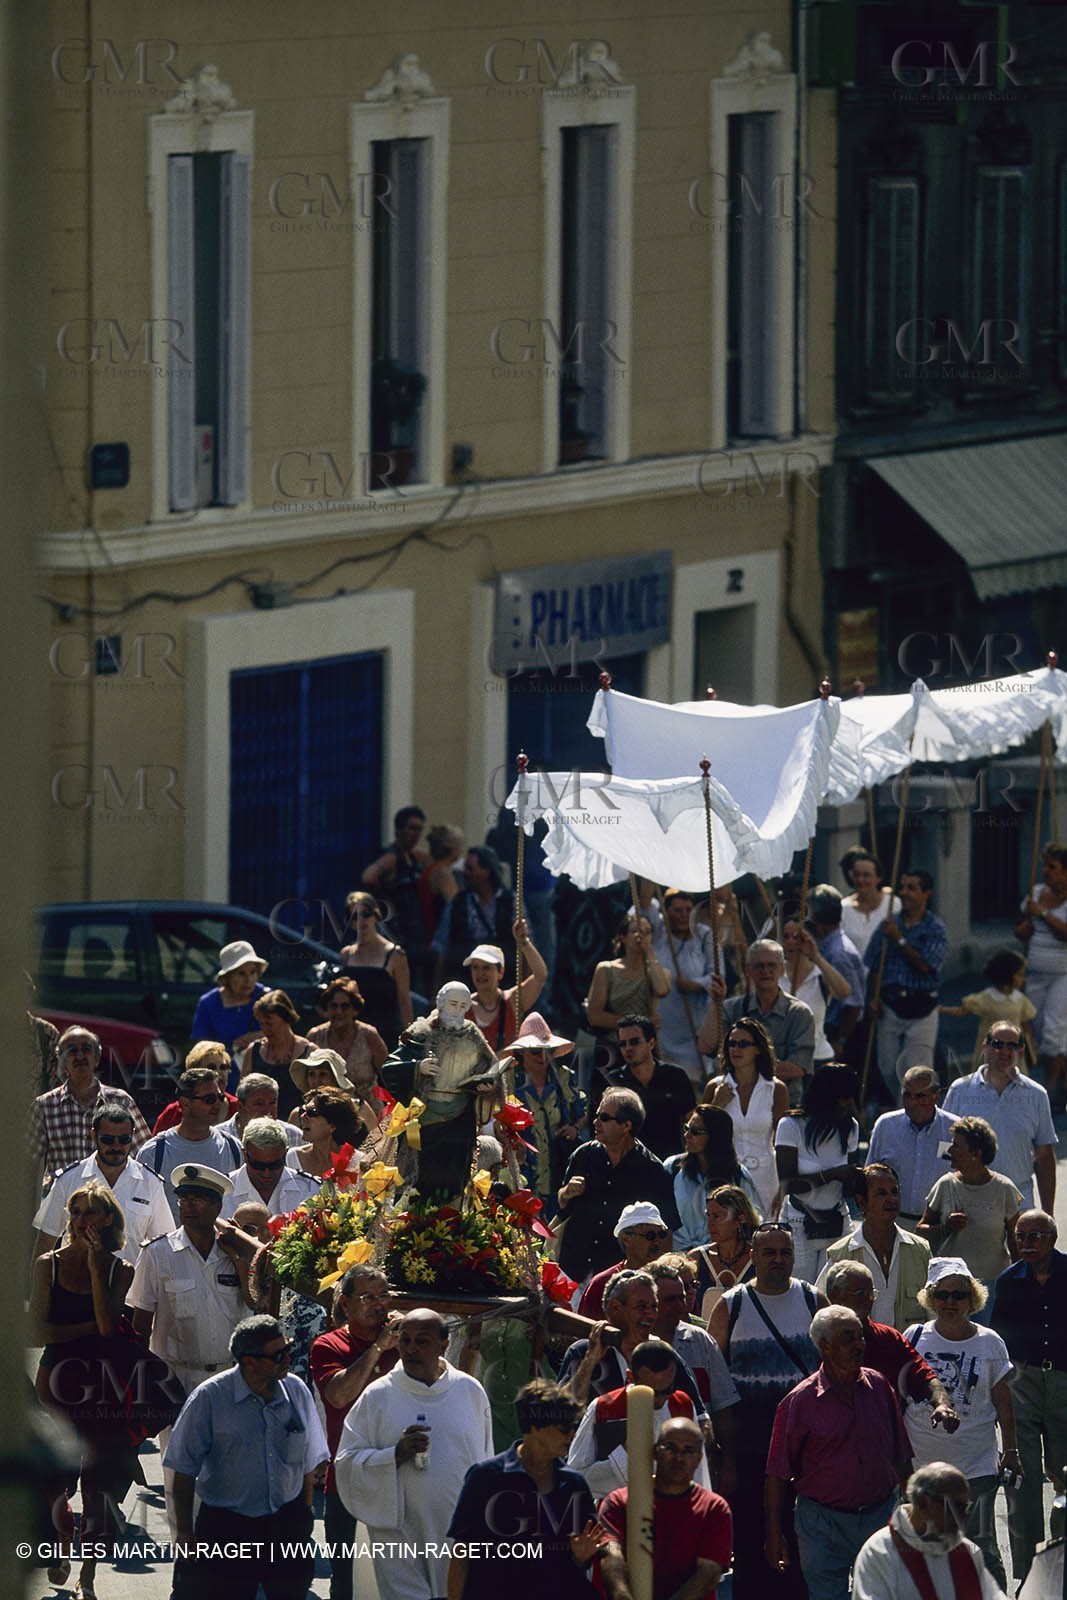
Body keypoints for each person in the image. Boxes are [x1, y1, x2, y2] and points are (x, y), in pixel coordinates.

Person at [164, 1313, 328, 1600]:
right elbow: (183, 1469)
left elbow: (309, 1459)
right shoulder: (210, 1398)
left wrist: (304, 1514)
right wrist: (185, 1533)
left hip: (286, 1524)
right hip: (228, 1528)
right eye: (278, 1355)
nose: (287, 1359)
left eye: (288, 1348)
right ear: (249, 1361)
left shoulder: (297, 1391)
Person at [335, 1308, 494, 1600]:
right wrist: (394, 1455)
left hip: (454, 1532)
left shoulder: (470, 1391)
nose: (410, 1349)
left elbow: (484, 1463)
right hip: (398, 1533)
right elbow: (346, 1462)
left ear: (443, 1345)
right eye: (405, 1340)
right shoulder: (378, 1395)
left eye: (421, 1341)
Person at [128, 1163, 251, 1536]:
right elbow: (140, 1326)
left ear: (217, 1206)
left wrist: (243, 1258)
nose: (188, 1206)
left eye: (199, 1199)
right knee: (179, 1474)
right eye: (184, 1198)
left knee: (230, 1469)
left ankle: (225, 1551)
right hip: (177, 1378)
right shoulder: (158, 1253)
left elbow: (258, 1306)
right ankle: (187, 1553)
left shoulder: (236, 1252)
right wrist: (144, 1388)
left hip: (229, 1375)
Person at [708, 1220, 826, 1600]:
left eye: (785, 1252)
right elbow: (714, 1379)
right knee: (751, 1542)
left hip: (807, 1449)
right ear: (753, 1256)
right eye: (769, 1252)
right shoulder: (731, 1306)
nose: (778, 1259)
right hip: (750, 1448)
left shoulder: (814, 1301)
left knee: (804, 1542)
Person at [31, 1182, 138, 1600]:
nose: (81, 1221)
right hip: (56, 1381)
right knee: (54, 1476)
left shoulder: (118, 1270)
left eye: (91, 1212)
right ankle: (60, 1546)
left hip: (102, 1383)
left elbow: (108, 1330)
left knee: (97, 1484)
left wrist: (95, 1269)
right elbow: (36, 1333)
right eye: (75, 1213)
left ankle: (88, 1574)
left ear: (108, 1219)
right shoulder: (48, 1264)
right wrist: (89, 1327)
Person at [766, 1305, 913, 1600]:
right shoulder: (800, 1402)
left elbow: (901, 1454)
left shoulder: (879, 1386)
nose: (859, 1345)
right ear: (825, 1346)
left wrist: (913, 1509)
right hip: (822, 1525)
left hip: (880, 1516)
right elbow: (777, 1473)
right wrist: (773, 1534)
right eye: (848, 1338)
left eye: (860, 1337)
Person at [901, 1258, 1018, 1589]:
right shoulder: (915, 1336)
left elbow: (1004, 1403)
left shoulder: (990, 1342)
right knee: (921, 1549)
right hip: (921, 1467)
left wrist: (1011, 1451)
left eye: (959, 1295)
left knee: (981, 1549)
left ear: (973, 1299)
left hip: (975, 1467)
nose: (950, 1302)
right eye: (942, 1295)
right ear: (931, 1298)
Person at [446, 1379, 604, 1600]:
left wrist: (581, 1557)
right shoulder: (486, 1478)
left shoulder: (574, 1485)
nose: (571, 1435)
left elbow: (584, 1555)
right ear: (536, 1426)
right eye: (564, 1428)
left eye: (573, 1427)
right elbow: (462, 1551)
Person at [309, 1265, 401, 1600]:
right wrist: (378, 1347)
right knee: (347, 1583)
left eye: (384, 1296)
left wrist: (412, 1339)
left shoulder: (404, 1341)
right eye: (368, 1297)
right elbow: (338, 1396)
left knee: (395, 1582)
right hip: (348, 1484)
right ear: (345, 1305)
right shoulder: (328, 1344)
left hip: (398, 1481)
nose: (379, 1304)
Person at [988, 1209, 1067, 1584]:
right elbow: (998, 1341)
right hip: (1023, 1382)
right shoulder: (1009, 1281)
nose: (1026, 1243)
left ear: (1053, 1238)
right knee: (1023, 1479)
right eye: (1020, 1236)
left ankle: (1061, 1563)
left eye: (1035, 1235)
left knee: (1065, 1474)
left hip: (1064, 1382)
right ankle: (1029, 1575)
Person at [382, 980, 501, 1202]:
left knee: (453, 1181)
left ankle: (448, 1217)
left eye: (463, 1006)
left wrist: (488, 1087)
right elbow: (390, 1067)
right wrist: (417, 1068)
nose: (457, 1011)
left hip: (459, 1121)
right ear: (441, 1003)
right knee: (419, 1179)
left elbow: (492, 1069)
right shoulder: (421, 1032)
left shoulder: (474, 1036)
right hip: (424, 1118)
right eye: (452, 1004)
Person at [598, 1415, 733, 1600]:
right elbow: (611, 1553)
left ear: (699, 1458)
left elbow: (709, 1572)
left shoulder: (714, 1509)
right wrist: (622, 1595)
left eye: (688, 1450)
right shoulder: (618, 1502)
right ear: (655, 1452)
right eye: (670, 1448)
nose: (679, 1457)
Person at [556, 1087, 680, 1282]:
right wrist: (566, 1192)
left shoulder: (652, 1170)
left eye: (604, 1118)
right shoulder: (584, 1155)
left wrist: (659, 1277)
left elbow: (666, 1230)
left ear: (626, 1125)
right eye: (596, 1115)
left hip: (621, 1278)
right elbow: (562, 1205)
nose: (595, 1122)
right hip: (574, 1269)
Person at [567, 1337, 713, 1501]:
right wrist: (625, 1455)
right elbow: (577, 1477)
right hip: (618, 1510)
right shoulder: (604, 1408)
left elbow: (698, 1475)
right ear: (630, 1377)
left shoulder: (683, 1405)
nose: (660, 1400)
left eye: (668, 1390)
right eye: (653, 1392)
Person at [823, 1261, 959, 1429]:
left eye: (871, 1293)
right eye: (860, 1293)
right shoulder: (817, 1339)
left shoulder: (889, 1338)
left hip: (880, 1438)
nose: (869, 1300)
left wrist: (942, 1404)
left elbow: (924, 1377)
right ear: (835, 1296)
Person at [34, 1101, 172, 1264]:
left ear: (132, 1135)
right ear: (94, 1135)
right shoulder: (68, 1180)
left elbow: (164, 1246)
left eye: (124, 1139)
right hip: (77, 1277)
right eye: (108, 1139)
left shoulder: (150, 1183)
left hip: (131, 1279)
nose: (116, 1146)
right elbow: (45, 1243)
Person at [942, 1022, 1057, 1211]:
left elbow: (1044, 1156)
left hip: (1018, 1200)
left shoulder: (1037, 1094)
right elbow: (944, 1147)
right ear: (984, 1047)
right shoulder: (960, 1089)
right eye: (997, 1044)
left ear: (1021, 1051)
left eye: (1011, 1045)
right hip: (967, 1200)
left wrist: (1048, 1213)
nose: (1004, 1051)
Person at [853, 1460, 1007, 1600]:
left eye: (966, 1508)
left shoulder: (967, 1553)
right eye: (955, 1508)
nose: (963, 1517)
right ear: (922, 1503)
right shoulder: (879, 1553)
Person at [559, 1270, 707, 1415]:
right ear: (616, 1308)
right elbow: (562, 1411)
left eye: (654, 1307)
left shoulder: (663, 1354)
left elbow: (700, 1417)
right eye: (641, 1307)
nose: (650, 1314)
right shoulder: (583, 1351)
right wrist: (590, 1360)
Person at [27, 1026, 149, 1189]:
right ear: (61, 1061)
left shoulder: (121, 1101)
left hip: (113, 1199)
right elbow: (27, 1164)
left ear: (97, 1058)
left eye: (86, 1049)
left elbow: (144, 1155)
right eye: (72, 1051)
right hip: (62, 1198)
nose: (80, 1056)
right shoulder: (44, 1106)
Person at [865, 870, 949, 1103]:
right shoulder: (888, 925)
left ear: (926, 893)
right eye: (902, 887)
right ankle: (901, 1107)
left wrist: (899, 939)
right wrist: (872, 998)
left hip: (922, 1008)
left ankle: (914, 1113)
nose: (904, 893)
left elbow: (925, 966)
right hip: (891, 1006)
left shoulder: (935, 928)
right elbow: (873, 965)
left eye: (912, 888)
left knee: (917, 1071)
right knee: (887, 1066)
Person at [774, 1064, 861, 1286]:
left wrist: (858, 1178)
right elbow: (788, 1184)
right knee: (798, 1290)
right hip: (799, 1222)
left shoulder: (850, 1126)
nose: (849, 1103)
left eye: (851, 1097)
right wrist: (831, 1175)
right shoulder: (790, 1125)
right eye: (844, 1097)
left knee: (835, 1291)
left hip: (837, 1221)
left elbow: (849, 1185)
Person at [699, 940, 815, 1101]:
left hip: (781, 1103)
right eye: (759, 966)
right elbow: (706, 1047)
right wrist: (715, 1003)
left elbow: (797, 1068)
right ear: (748, 971)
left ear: (782, 969)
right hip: (736, 1102)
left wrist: (745, 1069)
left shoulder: (799, 1013)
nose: (765, 971)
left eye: (771, 965)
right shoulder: (731, 1008)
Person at [820, 1162, 931, 1331]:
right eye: (881, 1193)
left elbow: (933, 1314)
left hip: (908, 1347)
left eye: (894, 1192)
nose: (891, 1199)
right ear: (861, 1202)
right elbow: (823, 1313)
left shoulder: (920, 1250)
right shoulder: (841, 1255)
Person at [650, 1260, 741, 1456]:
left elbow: (724, 1407)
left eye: (681, 1298)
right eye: (670, 1300)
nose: (680, 1306)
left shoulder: (701, 1340)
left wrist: (728, 1462)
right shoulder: (633, 1343)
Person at [917, 1118, 1022, 1287]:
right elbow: (920, 1231)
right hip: (951, 1285)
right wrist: (946, 1227)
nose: (949, 1149)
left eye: (956, 1145)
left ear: (976, 1153)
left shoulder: (1004, 1188)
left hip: (993, 1283)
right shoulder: (945, 1184)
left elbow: (1016, 1240)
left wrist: (1018, 1280)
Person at [702, 1017, 788, 1217]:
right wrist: (717, 1104)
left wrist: (784, 1187)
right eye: (731, 1044)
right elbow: (698, 1134)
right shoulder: (715, 1087)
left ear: (758, 1049)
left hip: (767, 1178)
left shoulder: (776, 1089)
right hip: (725, 1177)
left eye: (743, 1044)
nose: (736, 1049)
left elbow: (784, 1141)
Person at [503, 1011, 585, 1218]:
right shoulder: (509, 1081)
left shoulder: (564, 1077)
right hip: (524, 1170)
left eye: (547, 1051)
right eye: (535, 1051)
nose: (542, 1057)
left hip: (560, 1167)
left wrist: (575, 1128)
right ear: (522, 1053)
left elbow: (584, 1111)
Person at [135, 1065, 243, 1219]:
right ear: (185, 1103)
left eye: (220, 1097)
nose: (217, 1105)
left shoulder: (234, 1149)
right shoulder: (153, 1152)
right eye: (209, 1099)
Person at [590, 1013, 697, 1162]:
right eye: (623, 1044)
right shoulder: (612, 1082)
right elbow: (599, 1127)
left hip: (671, 1163)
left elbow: (692, 1120)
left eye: (634, 1042)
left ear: (651, 1043)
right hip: (628, 1164)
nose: (628, 1048)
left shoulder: (675, 1076)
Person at [645, 887, 723, 1082]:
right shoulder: (658, 934)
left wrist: (694, 984)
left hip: (694, 1025)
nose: (684, 915)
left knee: (693, 1082)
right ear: (666, 912)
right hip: (665, 1026)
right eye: (677, 910)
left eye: (688, 910)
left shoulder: (705, 935)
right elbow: (645, 904)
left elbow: (718, 975)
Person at [868, 1065, 960, 1227]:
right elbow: (869, 1176)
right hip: (893, 1223)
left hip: (938, 1226)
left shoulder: (954, 1129)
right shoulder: (886, 1125)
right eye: (907, 1095)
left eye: (920, 1097)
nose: (912, 1103)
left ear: (936, 1096)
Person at [1014, 842, 1067, 1108]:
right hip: (1035, 973)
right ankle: (1062, 1078)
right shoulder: (1034, 893)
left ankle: (1051, 1089)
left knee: (1052, 1032)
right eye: (1045, 866)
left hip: (1063, 974)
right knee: (1035, 1028)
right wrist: (1025, 927)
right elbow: (1020, 929)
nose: (1046, 871)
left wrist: (1043, 914)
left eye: (1052, 867)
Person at [665, 1103, 762, 1248]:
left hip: (722, 1256)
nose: (687, 1135)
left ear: (715, 1136)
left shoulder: (738, 1175)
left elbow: (753, 1219)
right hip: (679, 1256)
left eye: (695, 1131)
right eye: (686, 1128)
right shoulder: (672, 1168)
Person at [362, 804, 430, 983]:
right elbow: (369, 877)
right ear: (399, 830)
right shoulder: (392, 857)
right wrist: (385, 893)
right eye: (412, 828)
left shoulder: (414, 856)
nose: (416, 834)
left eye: (419, 829)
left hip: (414, 932)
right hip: (396, 930)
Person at [433, 845, 516, 987]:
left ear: (486, 872)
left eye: (470, 869)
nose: (464, 873)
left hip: (502, 981)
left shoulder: (510, 902)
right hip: (464, 979)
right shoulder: (458, 903)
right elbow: (442, 946)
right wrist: (436, 989)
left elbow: (526, 945)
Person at [940, 949, 1036, 1070]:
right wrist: (942, 1009)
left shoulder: (1019, 999)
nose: (1023, 979)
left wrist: (1031, 1048)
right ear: (1007, 975)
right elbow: (962, 1011)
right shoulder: (987, 998)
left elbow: (1025, 1024)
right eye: (1019, 975)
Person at [585, 912, 672, 1046]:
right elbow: (594, 1016)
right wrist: (638, 1024)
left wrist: (649, 951)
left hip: (643, 1046)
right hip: (613, 1044)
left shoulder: (657, 973)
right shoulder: (607, 969)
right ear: (623, 937)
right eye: (635, 931)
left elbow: (662, 991)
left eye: (647, 932)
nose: (641, 936)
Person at [339, 889, 413, 1047]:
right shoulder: (346, 954)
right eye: (355, 917)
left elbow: (404, 1001)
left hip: (386, 1035)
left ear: (376, 915)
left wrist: (410, 1039)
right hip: (353, 1038)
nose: (362, 921)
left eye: (366, 914)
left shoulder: (395, 954)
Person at [780, 913, 854, 1065]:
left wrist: (816, 956)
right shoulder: (775, 974)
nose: (790, 942)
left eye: (796, 937)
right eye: (786, 937)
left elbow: (844, 992)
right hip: (784, 1058)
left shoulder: (819, 975)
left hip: (817, 1057)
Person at [578, 1201, 672, 1319]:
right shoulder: (601, 1284)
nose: (657, 1242)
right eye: (650, 1236)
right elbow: (585, 1327)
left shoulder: (671, 1282)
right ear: (626, 1239)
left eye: (661, 1235)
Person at [463, 922, 548, 1050]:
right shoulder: (462, 1006)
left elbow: (540, 976)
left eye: (486, 968)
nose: (480, 973)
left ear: (500, 972)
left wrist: (524, 942)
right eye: (475, 967)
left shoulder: (513, 1001)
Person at [806, 885, 868, 1052]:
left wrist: (841, 1041)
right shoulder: (824, 946)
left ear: (816, 918)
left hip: (842, 1034)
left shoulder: (838, 954)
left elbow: (854, 1005)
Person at [306, 975, 388, 1096]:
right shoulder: (315, 1037)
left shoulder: (369, 1035)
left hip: (366, 1103)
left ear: (355, 1009)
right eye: (333, 1006)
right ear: (326, 1009)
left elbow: (387, 1077)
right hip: (326, 1104)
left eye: (345, 1006)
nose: (339, 1011)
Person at [220, 1118, 319, 1218]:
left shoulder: (311, 1190)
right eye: (258, 1165)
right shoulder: (222, 1191)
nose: (266, 1173)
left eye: (275, 1165)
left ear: (285, 1154)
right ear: (245, 1154)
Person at [239, 989, 313, 1119]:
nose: (265, 1029)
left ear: (286, 1019)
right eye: (261, 1024)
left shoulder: (309, 1052)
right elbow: (242, 1095)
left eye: (269, 1023)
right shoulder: (254, 1051)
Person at [690, 1184, 759, 1322]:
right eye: (708, 1216)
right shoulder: (696, 1258)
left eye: (717, 1216)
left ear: (740, 1219)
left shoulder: (758, 1259)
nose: (710, 1223)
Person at [189, 939, 269, 1059]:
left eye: (253, 972)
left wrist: (256, 1037)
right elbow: (201, 1047)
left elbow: (282, 1035)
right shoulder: (208, 1003)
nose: (248, 979)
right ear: (227, 977)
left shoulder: (267, 997)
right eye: (241, 973)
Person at [153, 1043, 239, 1132]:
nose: (219, 1072)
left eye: (223, 1067)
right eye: (211, 1067)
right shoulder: (172, 1113)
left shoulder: (239, 1107)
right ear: (194, 1073)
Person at [288, 1087, 371, 1178]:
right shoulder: (293, 1157)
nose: (302, 1116)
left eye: (311, 1112)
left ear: (332, 1126)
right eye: (304, 1111)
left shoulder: (357, 1161)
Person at [840, 849, 901, 961]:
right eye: (856, 875)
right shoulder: (843, 908)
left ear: (878, 878)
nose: (860, 880)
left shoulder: (893, 904)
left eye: (866, 875)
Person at [214, 1070, 302, 1147]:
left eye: (272, 1103)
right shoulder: (218, 1137)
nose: (267, 1110)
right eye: (259, 1104)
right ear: (240, 1106)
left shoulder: (294, 1136)